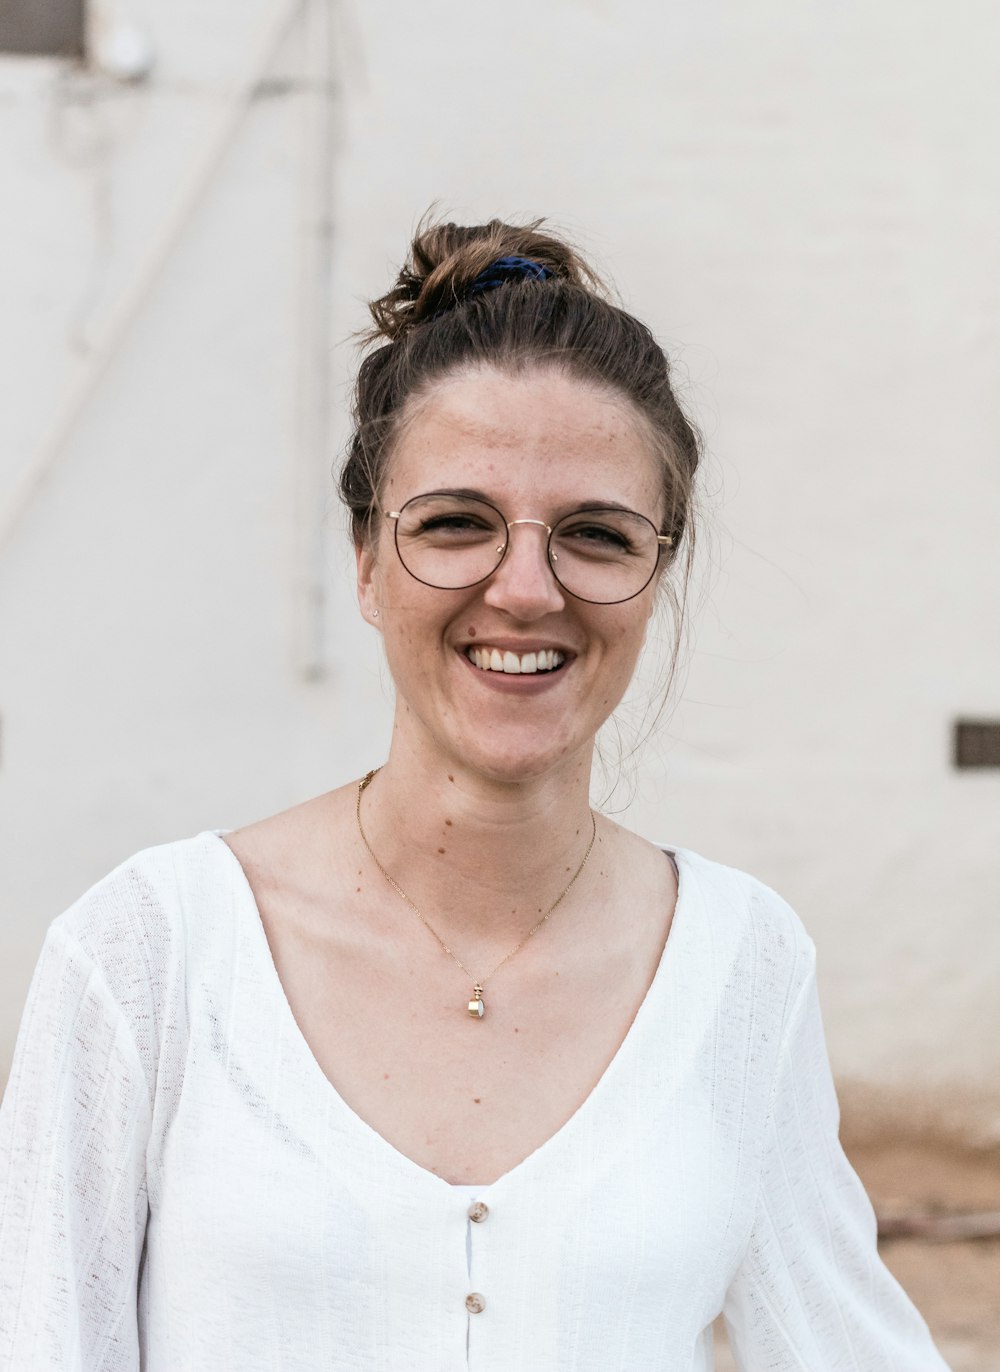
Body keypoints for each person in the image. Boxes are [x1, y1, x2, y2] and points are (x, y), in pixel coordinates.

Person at [0, 218, 950, 1371]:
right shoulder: (146, 955)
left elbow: (844, 1345)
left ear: (656, 575)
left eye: (596, 536)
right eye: (455, 524)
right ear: (363, 560)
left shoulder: (740, 965)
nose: (524, 590)